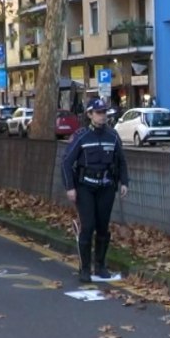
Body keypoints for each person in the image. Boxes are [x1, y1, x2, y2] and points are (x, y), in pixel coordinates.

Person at [61, 98, 129, 282]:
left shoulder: (112, 136)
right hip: (85, 187)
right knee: (88, 226)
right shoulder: (81, 136)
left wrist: (124, 182)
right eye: (98, 113)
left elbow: (121, 160)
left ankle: (100, 266)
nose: (102, 116)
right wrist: (70, 187)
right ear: (90, 114)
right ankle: (84, 268)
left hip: (106, 187)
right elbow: (66, 162)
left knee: (102, 227)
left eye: (104, 112)